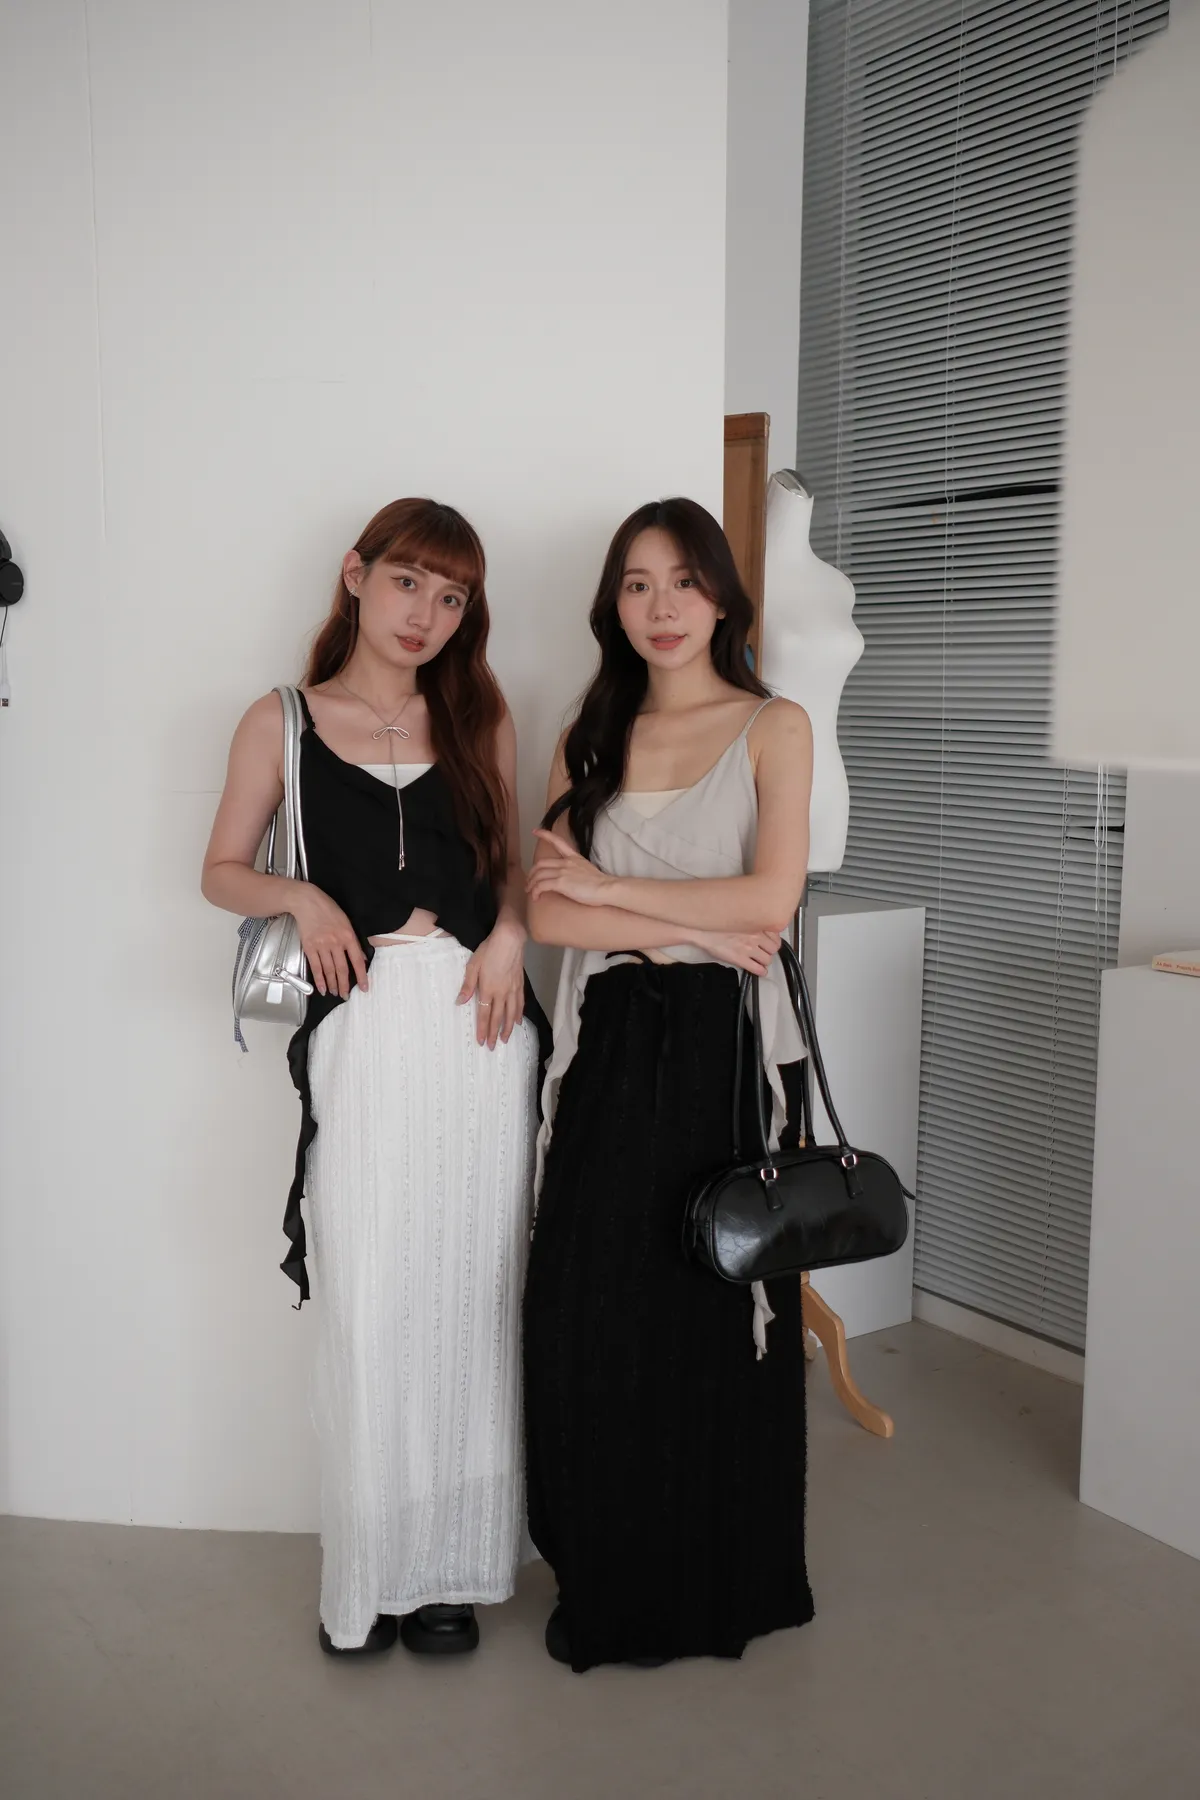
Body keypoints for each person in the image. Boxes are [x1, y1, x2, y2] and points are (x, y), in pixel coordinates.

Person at [202, 498, 546, 1658]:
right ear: (356, 575)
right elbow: (220, 869)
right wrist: (300, 896)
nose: (426, 614)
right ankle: (371, 1574)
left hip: (480, 1028)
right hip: (362, 1028)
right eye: (408, 583)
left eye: (452, 598)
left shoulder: (481, 715)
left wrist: (512, 936)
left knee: (471, 1295)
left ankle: (451, 1569)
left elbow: (513, 868)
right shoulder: (281, 719)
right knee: (371, 1299)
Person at [523, 496, 816, 1672]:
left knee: (715, 1305)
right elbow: (547, 913)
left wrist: (613, 894)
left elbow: (770, 902)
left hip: (726, 1048)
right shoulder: (588, 732)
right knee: (590, 1302)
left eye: (685, 581)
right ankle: (609, 1573)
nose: (662, 606)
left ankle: (721, 1579)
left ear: (723, 598)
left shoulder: (773, 725)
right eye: (638, 583)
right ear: (614, 602)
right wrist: (675, 921)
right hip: (611, 1035)